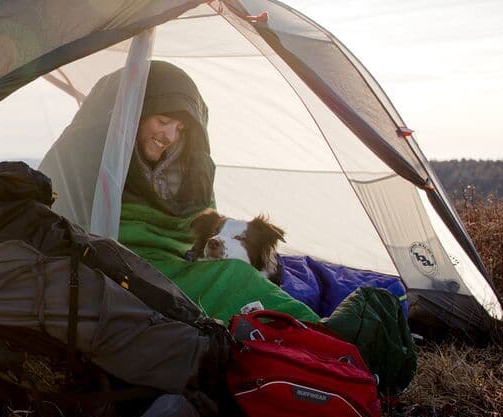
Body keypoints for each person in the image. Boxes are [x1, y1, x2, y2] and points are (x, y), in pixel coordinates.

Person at [38, 61, 324, 324]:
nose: (170, 136)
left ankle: (317, 334)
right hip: (123, 264)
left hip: (177, 262)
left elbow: (205, 226)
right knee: (234, 277)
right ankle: (315, 332)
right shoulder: (87, 158)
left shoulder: (190, 170)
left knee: (240, 273)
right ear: (134, 115)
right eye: (163, 121)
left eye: (180, 128)